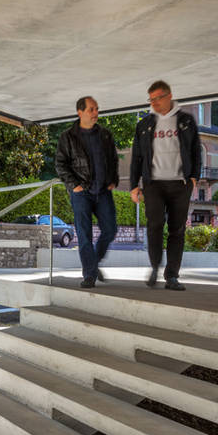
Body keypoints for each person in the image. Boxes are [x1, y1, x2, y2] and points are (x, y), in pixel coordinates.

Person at [129, 80, 200, 291]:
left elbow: (196, 150)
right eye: (151, 100)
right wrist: (134, 185)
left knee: (177, 230)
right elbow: (137, 158)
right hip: (154, 184)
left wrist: (194, 177)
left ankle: (172, 276)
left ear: (169, 96)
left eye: (158, 98)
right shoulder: (144, 125)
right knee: (154, 226)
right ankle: (154, 267)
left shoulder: (186, 121)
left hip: (180, 183)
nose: (154, 103)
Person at [55, 96, 119, 288]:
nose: (95, 113)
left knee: (110, 229)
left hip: (103, 192)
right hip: (81, 192)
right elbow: (60, 164)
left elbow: (113, 159)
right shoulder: (68, 137)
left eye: (97, 109)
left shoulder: (105, 135)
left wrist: (113, 180)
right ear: (80, 112)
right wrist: (74, 184)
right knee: (84, 235)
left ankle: (94, 262)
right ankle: (89, 275)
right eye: (91, 109)